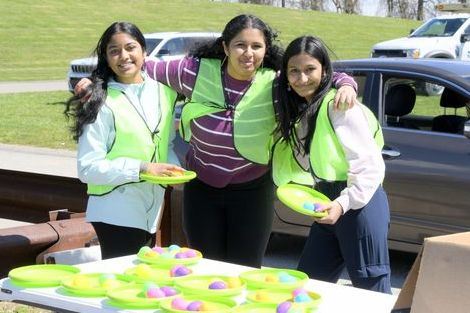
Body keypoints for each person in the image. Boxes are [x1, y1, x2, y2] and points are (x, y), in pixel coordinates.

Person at [75, 14, 358, 268]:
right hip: (202, 192)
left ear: (266, 50)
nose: (248, 53)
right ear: (225, 47)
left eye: (256, 47)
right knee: (205, 267)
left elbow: (313, 74)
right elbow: (136, 67)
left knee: (245, 269)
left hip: (253, 193)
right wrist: (93, 82)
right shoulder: (191, 72)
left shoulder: (276, 82)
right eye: (240, 45)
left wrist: (346, 83)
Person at [272, 35, 391, 293]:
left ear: (324, 70)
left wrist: (342, 203)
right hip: (327, 202)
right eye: (294, 71)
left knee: (371, 290)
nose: (302, 78)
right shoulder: (305, 108)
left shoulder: (340, 105)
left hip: (360, 205)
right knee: (308, 284)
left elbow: (370, 168)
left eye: (310, 69)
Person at [65, 21, 184, 260]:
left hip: (151, 209)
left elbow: (165, 143)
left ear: (144, 51)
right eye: (114, 51)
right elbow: (88, 168)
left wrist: (172, 169)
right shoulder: (98, 100)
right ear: (106, 58)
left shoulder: (165, 92)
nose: (124, 56)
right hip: (113, 211)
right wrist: (142, 168)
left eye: (131, 48)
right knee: (123, 286)